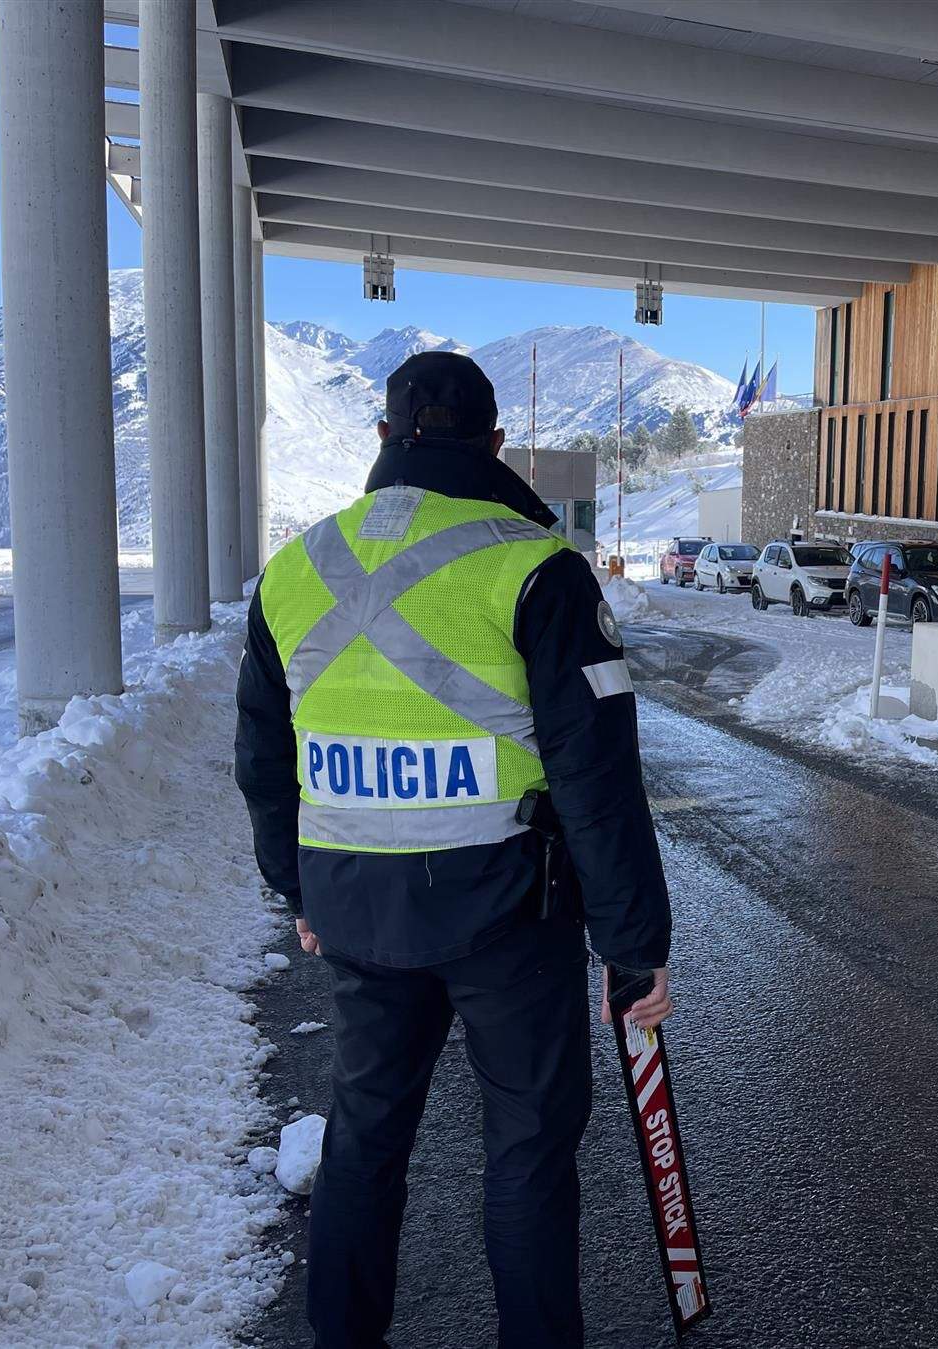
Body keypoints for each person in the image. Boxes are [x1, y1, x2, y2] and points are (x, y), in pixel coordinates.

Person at [234, 351, 673, 1349]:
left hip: (352, 907)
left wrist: (296, 886)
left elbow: (263, 757)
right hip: (506, 917)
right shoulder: (538, 568)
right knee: (526, 1149)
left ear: (385, 438)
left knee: (365, 1135)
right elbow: (597, 778)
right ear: (496, 443)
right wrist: (633, 942)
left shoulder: (295, 569)